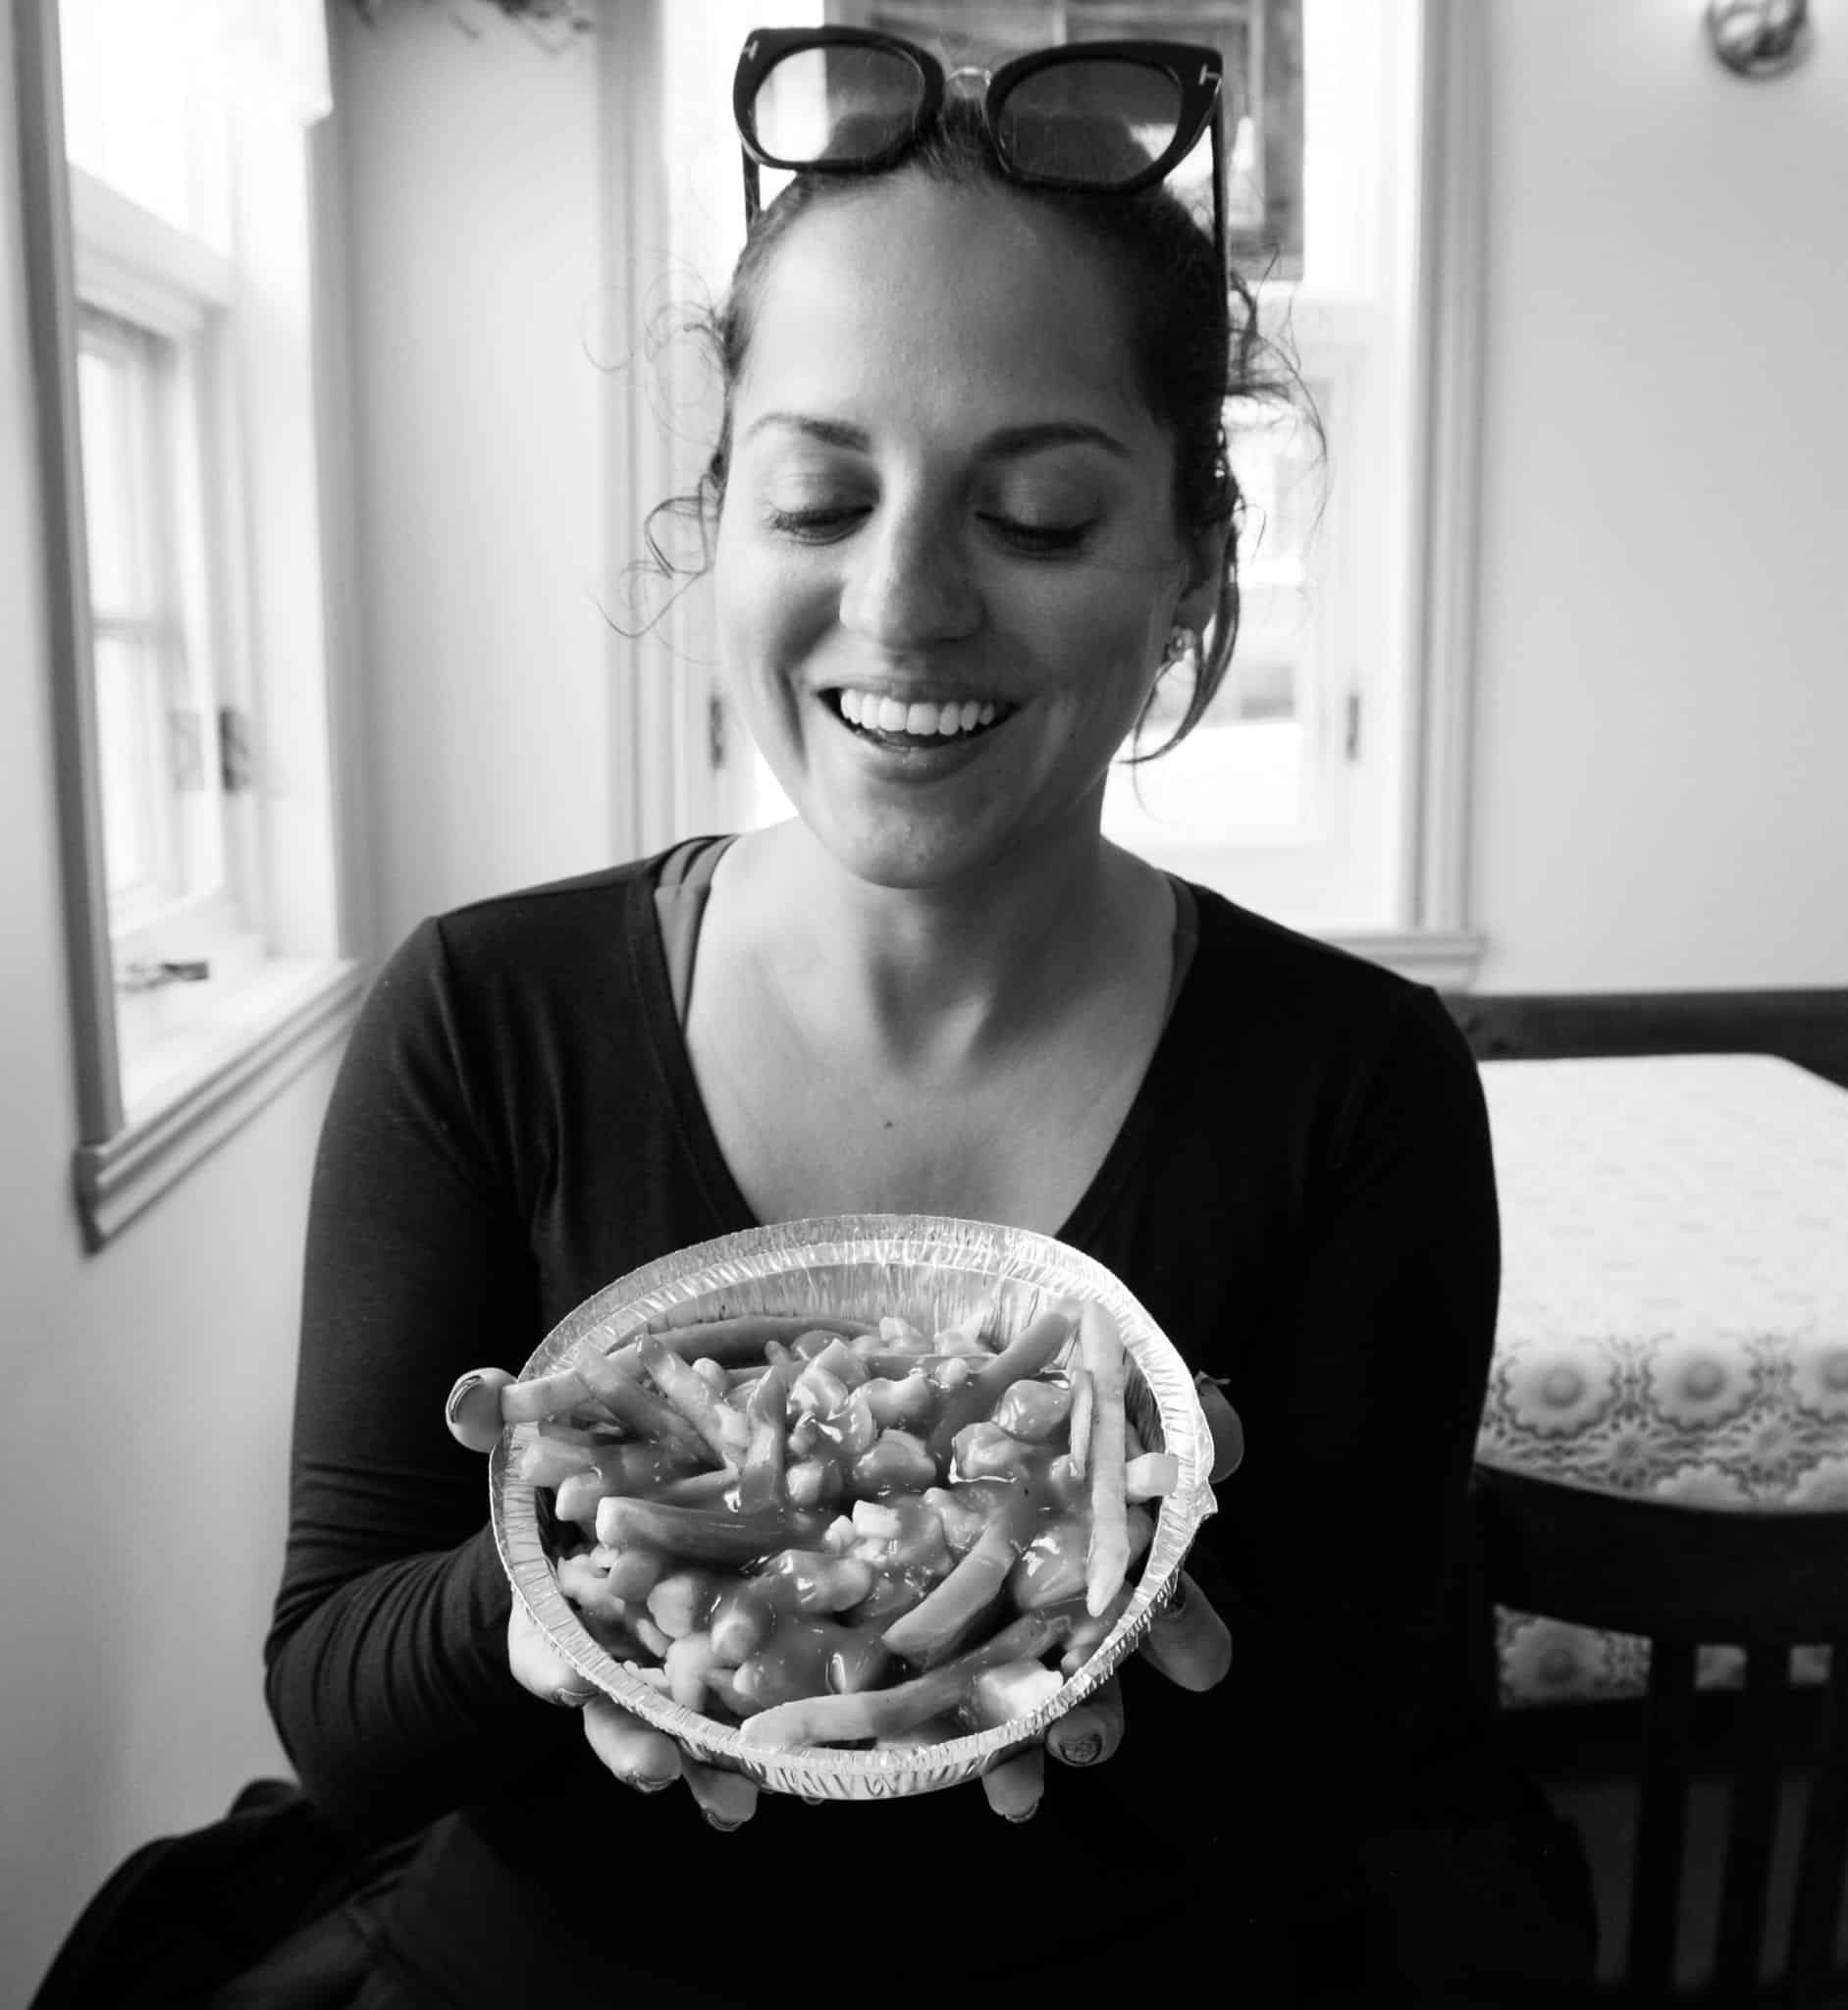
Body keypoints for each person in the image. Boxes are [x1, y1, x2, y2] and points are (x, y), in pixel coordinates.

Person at [261, 28, 1596, 2007]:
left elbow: (1366, 1752)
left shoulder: (1359, 1084)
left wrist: (1146, 1600)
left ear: (1189, 581)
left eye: (1038, 517)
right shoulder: (479, 1013)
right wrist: (546, 1606)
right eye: (817, 496)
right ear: (718, 525)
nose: (902, 606)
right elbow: (335, 1695)